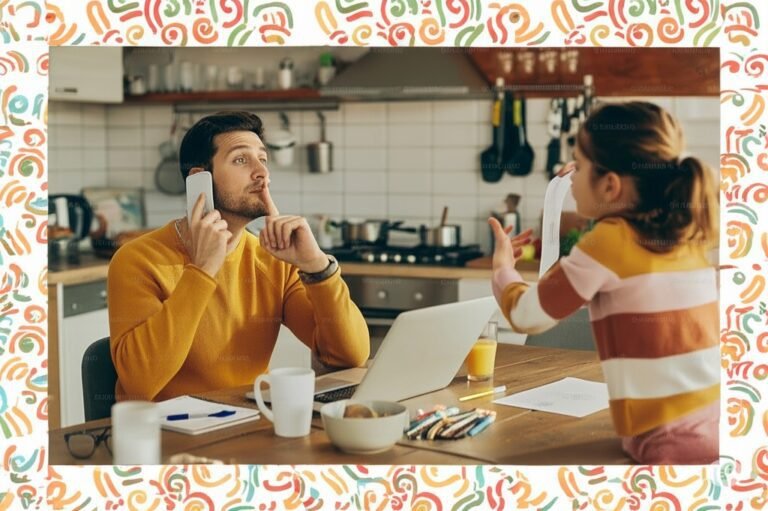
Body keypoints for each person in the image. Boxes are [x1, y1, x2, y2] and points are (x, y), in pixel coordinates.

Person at [489, 102, 719, 464]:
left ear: (610, 184)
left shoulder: (608, 241)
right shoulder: (685, 232)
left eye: (578, 166)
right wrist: (587, 177)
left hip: (663, 441)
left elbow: (527, 315)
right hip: (715, 425)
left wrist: (503, 269)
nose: (569, 174)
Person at [108, 111, 370, 402]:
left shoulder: (272, 260)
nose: (262, 173)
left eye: (263, 159)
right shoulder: (137, 260)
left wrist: (317, 267)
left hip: (249, 426)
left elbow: (350, 356)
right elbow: (139, 383)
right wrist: (203, 270)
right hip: (166, 436)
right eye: (241, 160)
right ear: (200, 181)